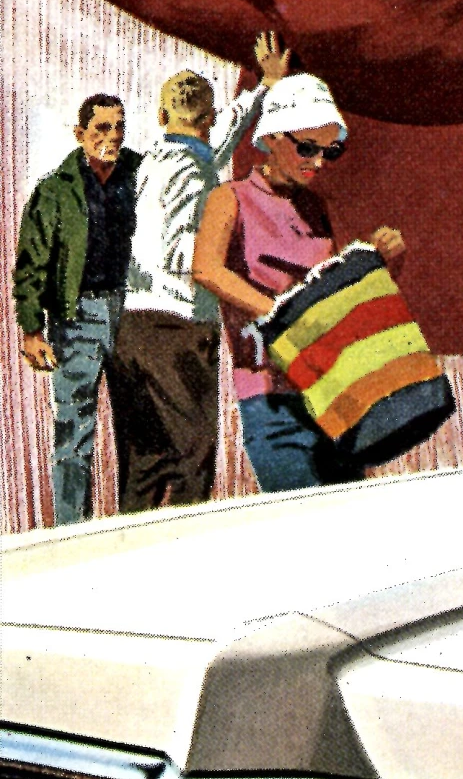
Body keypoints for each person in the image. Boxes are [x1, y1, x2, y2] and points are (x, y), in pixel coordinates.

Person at [192, 73, 406, 493]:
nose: (319, 162)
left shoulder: (315, 208)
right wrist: (275, 312)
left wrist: (382, 264)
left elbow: (334, 297)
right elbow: (206, 269)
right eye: (307, 148)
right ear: (270, 138)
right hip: (270, 398)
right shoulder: (229, 198)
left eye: (331, 151)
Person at [116, 34, 290, 511]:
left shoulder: (157, 162)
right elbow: (180, 254)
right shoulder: (193, 173)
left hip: (132, 326)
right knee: (192, 456)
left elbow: (224, 134)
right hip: (175, 328)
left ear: (162, 118)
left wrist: (264, 87)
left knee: (145, 459)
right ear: (206, 121)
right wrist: (231, 252)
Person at [12, 93, 141, 523]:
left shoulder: (140, 174)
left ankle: (135, 530)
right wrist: (31, 330)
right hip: (77, 317)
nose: (112, 136)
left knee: (139, 429)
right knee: (73, 430)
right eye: (102, 128)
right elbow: (31, 264)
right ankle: (71, 533)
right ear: (80, 133)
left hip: (133, 314)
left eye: (118, 126)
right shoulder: (54, 190)